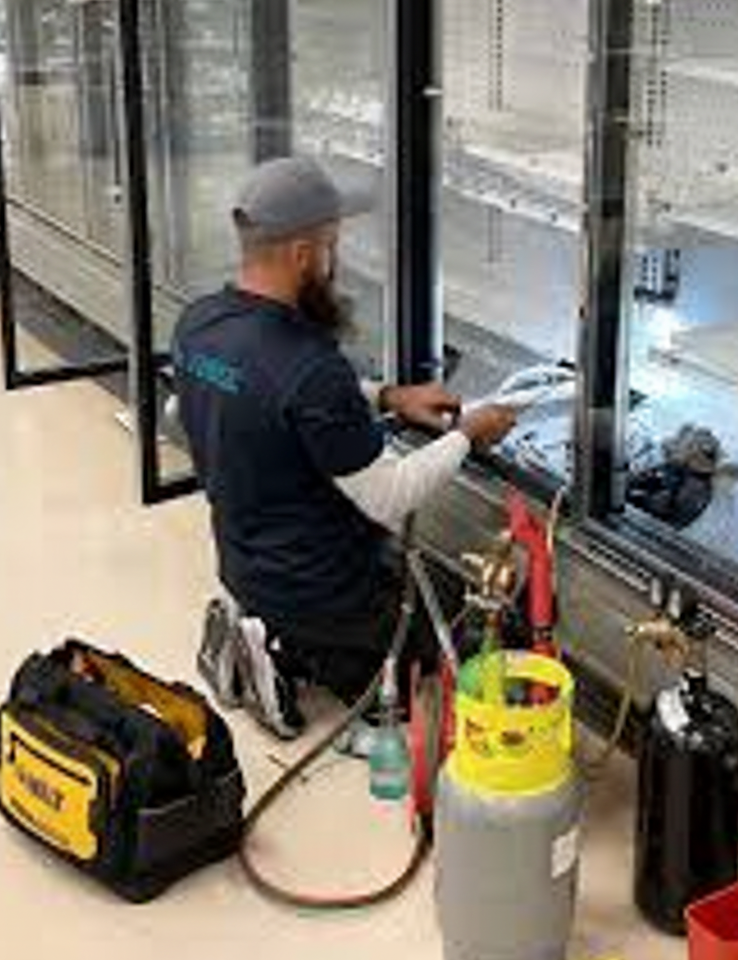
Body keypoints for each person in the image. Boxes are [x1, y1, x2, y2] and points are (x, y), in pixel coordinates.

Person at [173, 156, 516, 741]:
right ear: (303, 254)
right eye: (332, 248)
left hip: (243, 561)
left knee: (406, 588)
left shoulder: (199, 325)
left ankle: (257, 629)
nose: (336, 265)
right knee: (449, 627)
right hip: (321, 589)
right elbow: (390, 495)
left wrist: (387, 396)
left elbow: (258, 394)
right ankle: (288, 658)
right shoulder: (309, 366)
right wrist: (469, 433)